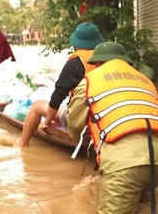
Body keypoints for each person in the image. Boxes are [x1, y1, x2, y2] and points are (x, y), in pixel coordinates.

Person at [67, 42, 158, 214]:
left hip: (124, 164)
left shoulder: (90, 81)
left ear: (99, 63)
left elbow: (73, 123)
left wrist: (78, 141)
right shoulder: (146, 81)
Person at [18, 22, 103, 147]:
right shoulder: (108, 60)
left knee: (36, 106)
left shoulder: (75, 63)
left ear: (76, 44)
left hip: (83, 119)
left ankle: (22, 146)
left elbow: (57, 97)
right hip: (106, 116)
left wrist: (46, 122)